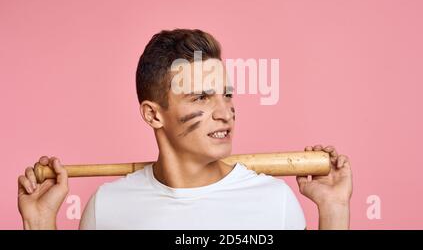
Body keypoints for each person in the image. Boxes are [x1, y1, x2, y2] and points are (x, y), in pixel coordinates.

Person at [17, 29, 352, 230]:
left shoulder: (273, 201)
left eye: (227, 94)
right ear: (153, 115)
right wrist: (40, 222)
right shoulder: (107, 207)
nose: (225, 113)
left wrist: (334, 210)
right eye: (201, 98)